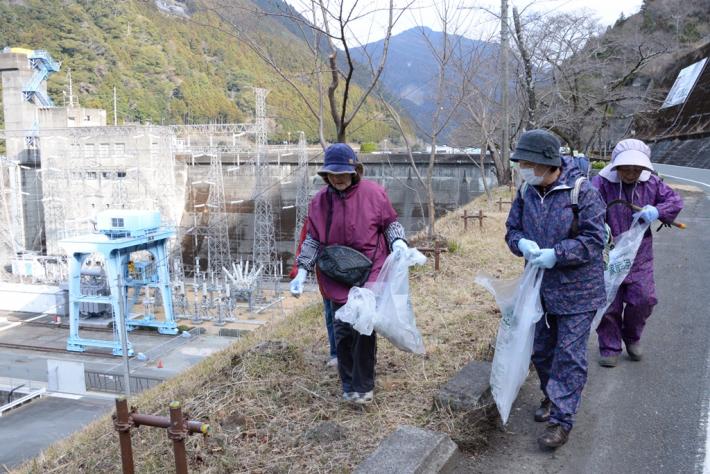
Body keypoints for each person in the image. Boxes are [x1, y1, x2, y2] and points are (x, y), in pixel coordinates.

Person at [505, 129, 607, 450]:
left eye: (526, 162)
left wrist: (556, 254)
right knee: (541, 351)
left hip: (579, 292)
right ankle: (552, 396)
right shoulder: (526, 191)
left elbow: (594, 240)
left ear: (547, 164)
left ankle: (562, 421)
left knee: (569, 355)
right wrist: (520, 243)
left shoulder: (582, 192)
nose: (521, 168)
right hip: (539, 290)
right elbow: (512, 230)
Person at [289, 143, 408, 405]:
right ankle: (348, 385)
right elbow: (313, 239)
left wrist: (399, 242)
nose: (339, 178)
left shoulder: (374, 194)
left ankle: (363, 387)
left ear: (355, 171)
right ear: (326, 175)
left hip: (369, 271)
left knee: (363, 329)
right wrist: (302, 271)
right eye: (333, 174)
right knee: (342, 331)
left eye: (344, 173)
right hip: (337, 275)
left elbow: (391, 224)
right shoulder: (320, 201)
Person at [591, 139, 683, 367]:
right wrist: (596, 227)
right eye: (626, 168)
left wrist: (657, 210)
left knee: (644, 299)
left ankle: (632, 336)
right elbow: (584, 208)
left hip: (640, 254)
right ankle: (609, 346)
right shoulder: (600, 183)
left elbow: (675, 201)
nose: (631, 173)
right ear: (615, 166)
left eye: (636, 169)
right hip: (608, 253)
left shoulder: (651, 183)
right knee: (609, 302)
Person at [290, 221, 338, 367]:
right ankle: (336, 353)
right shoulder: (318, 210)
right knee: (331, 315)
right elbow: (307, 243)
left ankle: (350, 355)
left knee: (344, 316)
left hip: (350, 271)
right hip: (326, 274)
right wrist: (299, 272)